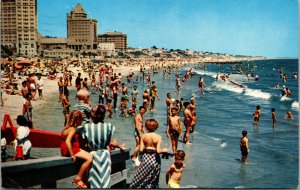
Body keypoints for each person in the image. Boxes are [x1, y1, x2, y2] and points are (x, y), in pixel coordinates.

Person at [78, 104, 125, 188]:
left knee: (92, 181)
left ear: (94, 115)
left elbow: (83, 144)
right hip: (105, 156)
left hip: (92, 155)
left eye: (92, 111)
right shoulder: (108, 126)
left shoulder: (85, 127)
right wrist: (120, 146)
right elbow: (109, 142)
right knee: (105, 182)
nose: (90, 113)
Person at [130, 119, 169, 189]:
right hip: (154, 159)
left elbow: (141, 149)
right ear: (156, 126)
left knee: (142, 175)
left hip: (146, 158)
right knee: (153, 177)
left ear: (146, 126)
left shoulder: (143, 136)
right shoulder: (158, 136)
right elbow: (158, 151)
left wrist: (148, 148)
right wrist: (165, 150)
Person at [60, 110, 93, 188]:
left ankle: (84, 178)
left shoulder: (67, 127)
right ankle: (78, 178)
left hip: (73, 148)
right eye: (81, 119)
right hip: (71, 150)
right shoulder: (72, 129)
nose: (82, 121)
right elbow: (68, 141)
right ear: (78, 120)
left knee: (89, 155)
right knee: (90, 158)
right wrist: (72, 154)